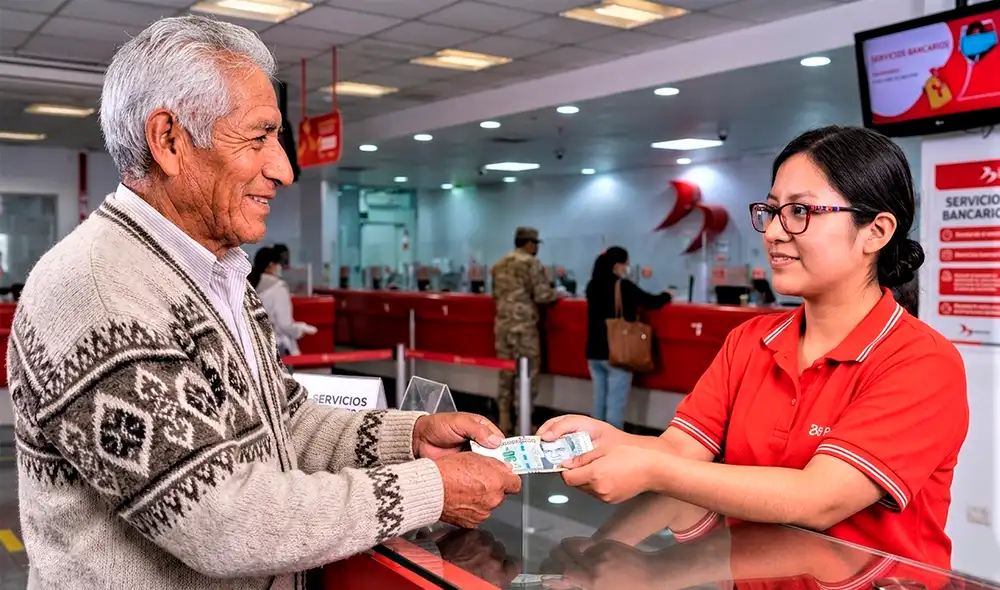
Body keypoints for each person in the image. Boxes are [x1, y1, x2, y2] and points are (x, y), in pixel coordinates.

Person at [7, 16, 520, 588]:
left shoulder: (214, 272)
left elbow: (285, 426)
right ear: (170, 140)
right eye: (259, 137)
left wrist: (410, 437)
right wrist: (432, 490)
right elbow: (223, 520)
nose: (283, 168)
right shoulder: (102, 294)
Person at [537, 125, 969, 570]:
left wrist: (653, 551)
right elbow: (681, 450)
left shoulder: (921, 362)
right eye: (773, 210)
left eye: (800, 211)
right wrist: (619, 443)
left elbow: (818, 498)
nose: (775, 233)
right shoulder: (751, 341)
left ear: (875, 232)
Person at [585, 246, 671, 430]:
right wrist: (668, 294)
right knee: (614, 408)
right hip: (617, 352)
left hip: (594, 352)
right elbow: (653, 302)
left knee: (598, 403)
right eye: (626, 264)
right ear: (617, 265)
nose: (627, 268)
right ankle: (612, 447)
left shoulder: (592, 285)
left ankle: (592, 445)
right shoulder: (623, 286)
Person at [492, 226, 560, 435]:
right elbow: (541, 295)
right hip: (524, 328)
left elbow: (495, 294)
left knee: (506, 374)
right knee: (528, 375)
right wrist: (557, 294)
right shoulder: (531, 263)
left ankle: (504, 421)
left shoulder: (500, 263)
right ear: (530, 244)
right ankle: (523, 421)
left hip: (503, 325)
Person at [250, 246, 316, 356]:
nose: (280, 267)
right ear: (271, 265)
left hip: (256, 345)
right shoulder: (278, 288)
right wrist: (300, 330)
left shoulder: (251, 286)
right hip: (278, 345)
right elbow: (285, 325)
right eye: (278, 264)